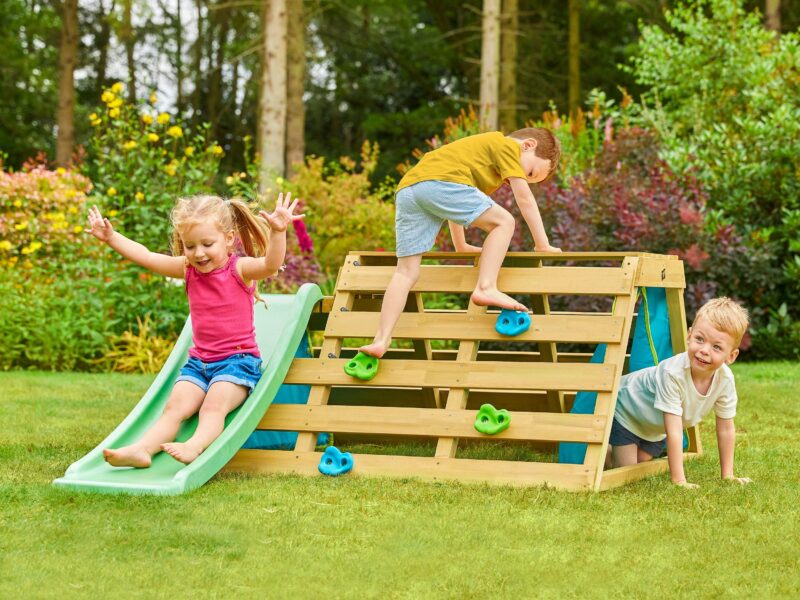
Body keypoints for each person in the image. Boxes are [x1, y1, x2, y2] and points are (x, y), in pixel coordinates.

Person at [85, 193, 304, 467]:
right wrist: (111, 238)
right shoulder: (188, 270)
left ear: (228, 239)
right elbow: (148, 257)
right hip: (198, 364)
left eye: (207, 244)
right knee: (174, 408)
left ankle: (195, 446)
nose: (198, 253)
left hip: (237, 364)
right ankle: (142, 449)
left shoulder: (239, 269)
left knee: (213, 407)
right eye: (190, 246)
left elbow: (270, 265)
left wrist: (278, 231)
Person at [359, 128, 562, 359]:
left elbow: (455, 200)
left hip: (409, 189)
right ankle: (486, 286)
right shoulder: (507, 146)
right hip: (438, 184)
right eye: (530, 172)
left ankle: (381, 340)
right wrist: (542, 244)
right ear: (527, 145)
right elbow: (524, 198)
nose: (522, 178)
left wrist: (461, 245)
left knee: (405, 272)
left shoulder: (481, 161)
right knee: (504, 222)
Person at [609, 297, 752, 488]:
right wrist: (679, 481)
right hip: (627, 411)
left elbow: (726, 428)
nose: (704, 350)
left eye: (716, 347)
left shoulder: (725, 380)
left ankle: (620, 449)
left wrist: (728, 475)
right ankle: (604, 448)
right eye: (699, 339)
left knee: (641, 463)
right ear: (689, 335)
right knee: (626, 473)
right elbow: (674, 430)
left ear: (731, 356)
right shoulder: (674, 373)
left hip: (652, 427)